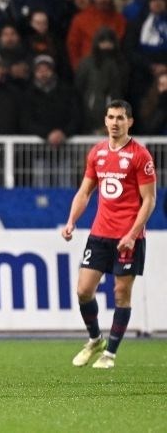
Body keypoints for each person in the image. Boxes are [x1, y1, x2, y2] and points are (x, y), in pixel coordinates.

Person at [61, 99, 157, 370]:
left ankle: (110, 354)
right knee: (83, 291)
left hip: (129, 237)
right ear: (105, 121)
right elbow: (85, 191)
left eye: (120, 118)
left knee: (120, 294)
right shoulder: (97, 153)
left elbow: (149, 200)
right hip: (100, 234)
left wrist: (133, 233)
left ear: (130, 122)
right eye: (111, 117)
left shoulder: (141, 156)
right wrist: (71, 221)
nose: (115, 123)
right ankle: (95, 339)